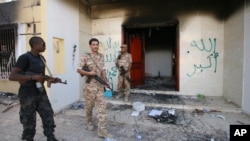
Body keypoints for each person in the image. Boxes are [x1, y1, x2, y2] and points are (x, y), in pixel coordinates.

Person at [9, 36, 62, 141]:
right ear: (35, 45)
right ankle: (28, 138)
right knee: (28, 119)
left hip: (40, 92)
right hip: (27, 94)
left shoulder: (42, 58)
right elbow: (13, 76)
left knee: (48, 114)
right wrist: (33, 77)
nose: (45, 46)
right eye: (43, 44)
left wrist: (52, 79)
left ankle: (50, 137)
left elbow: (41, 76)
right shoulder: (25, 57)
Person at [77, 38, 112, 138]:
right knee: (89, 107)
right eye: (93, 44)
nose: (95, 46)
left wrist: (106, 81)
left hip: (100, 87)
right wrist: (89, 73)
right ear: (90, 46)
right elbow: (79, 70)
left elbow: (103, 70)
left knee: (102, 109)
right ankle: (89, 122)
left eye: (97, 44)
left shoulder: (101, 56)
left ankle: (102, 132)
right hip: (89, 87)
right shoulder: (85, 56)